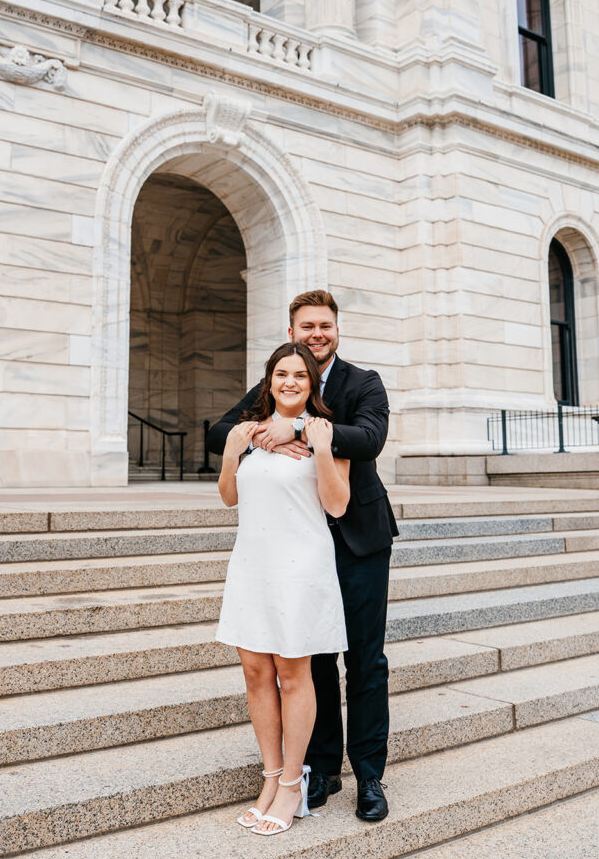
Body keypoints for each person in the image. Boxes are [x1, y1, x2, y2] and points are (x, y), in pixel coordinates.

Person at [208, 290, 398, 822]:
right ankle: (319, 769)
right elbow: (221, 429)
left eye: (326, 326)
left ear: (337, 330)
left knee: (364, 661)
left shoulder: (364, 382)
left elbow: (369, 438)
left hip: (357, 538)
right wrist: (264, 437)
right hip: (293, 542)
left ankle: (368, 775)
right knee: (308, 659)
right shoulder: (283, 374)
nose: (317, 334)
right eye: (307, 326)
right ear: (292, 332)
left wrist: (300, 431)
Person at [214, 341, 351, 837]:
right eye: (281, 374)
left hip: (301, 567)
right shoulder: (247, 431)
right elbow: (230, 497)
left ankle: (293, 783)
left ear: (312, 384)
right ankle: (269, 777)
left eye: (300, 375)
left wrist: (319, 448)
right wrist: (232, 453)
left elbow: (337, 506)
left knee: (294, 675)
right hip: (252, 564)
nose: (290, 382)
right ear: (269, 380)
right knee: (255, 673)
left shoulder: (323, 431)